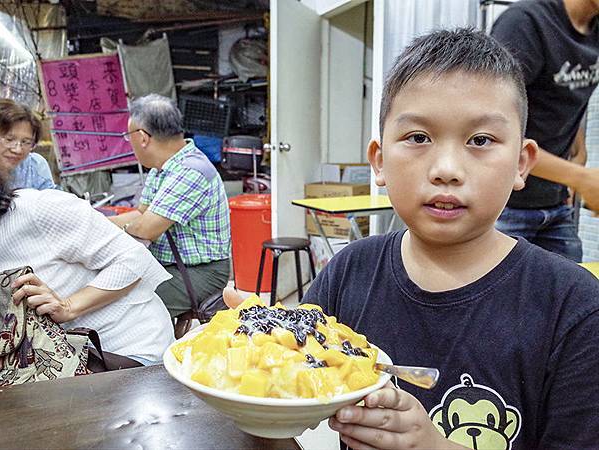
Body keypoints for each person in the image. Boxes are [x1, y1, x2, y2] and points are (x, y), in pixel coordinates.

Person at [222, 29, 599, 449]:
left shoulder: (574, 307)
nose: (447, 168)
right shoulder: (349, 273)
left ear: (521, 164)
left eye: (481, 140)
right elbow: (296, 394)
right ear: (379, 162)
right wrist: (257, 363)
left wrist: (432, 446)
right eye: (418, 137)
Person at [0, 176, 175, 365]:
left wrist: (68, 306)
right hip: (55, 364)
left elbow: (133, 258)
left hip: (125, 352)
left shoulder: (36, 209)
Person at [109, 94, 231, 329]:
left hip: (201, 272)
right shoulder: (163, 167)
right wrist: (98, 221)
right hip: (173, 265)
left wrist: (118, 227)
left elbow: (146, 229)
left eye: (128, 136)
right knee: (111, 285)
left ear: (142, 137)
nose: (129, 142)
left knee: (124, 305)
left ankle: (147, 362)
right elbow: (141, 213)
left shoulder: (190, 171)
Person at [491, 0, 599, 261]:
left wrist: (578, 149)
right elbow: (487, 132)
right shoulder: (525, 23)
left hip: (556, 205)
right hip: (503, 206)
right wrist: (580, 177)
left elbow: (562, 96)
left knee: (571, 297)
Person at [0, 98, 56, 190]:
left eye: (26, 142)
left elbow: (51, 199)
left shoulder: (34, 166)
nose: (17, 150)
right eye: (9, 140)